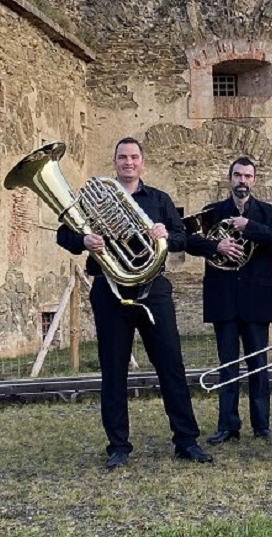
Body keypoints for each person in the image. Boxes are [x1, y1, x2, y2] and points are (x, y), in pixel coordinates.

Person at [55, 137, 213, 469]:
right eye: (123, 157)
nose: (129, 162)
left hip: (152, 288)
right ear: (115, 162)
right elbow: (63, 235)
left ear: (142, 162)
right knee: (113, 370)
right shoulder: (93, 199)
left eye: (134, 157)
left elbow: (183, 237)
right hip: (110, 289)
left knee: (171, 366)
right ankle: (118, 446)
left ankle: (186, 440)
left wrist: (165, 236)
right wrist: (84, 239)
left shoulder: (159, 199)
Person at [188, 157, 272, 444]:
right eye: (237, 175)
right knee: (227, 365)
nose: (242, 181)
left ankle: (262, 425)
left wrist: (249, 226)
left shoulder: (269, 212)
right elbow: (187, 241)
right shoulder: (212, 212)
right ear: (229, 178)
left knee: (258, 364)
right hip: (223, 297)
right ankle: (228, 426)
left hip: (256, 299)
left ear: (254, 180)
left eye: (247, 176)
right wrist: (217, 245)